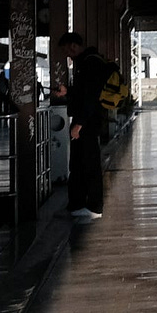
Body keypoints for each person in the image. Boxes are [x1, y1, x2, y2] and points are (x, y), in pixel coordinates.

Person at [53, 30, 107, 221]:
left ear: (73, 46)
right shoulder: (85, 63)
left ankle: (94, 206)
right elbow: (84, 92)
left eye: (67, 51)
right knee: (77, 163)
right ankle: (76, 205)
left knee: (89, 163)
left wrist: (80, 124)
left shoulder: (90, 63)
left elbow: (91, 97)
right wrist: (68, 91)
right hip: (84, 120)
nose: (67, 55)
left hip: (88, 122)